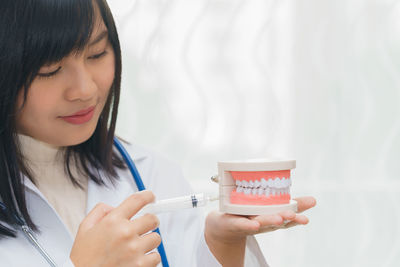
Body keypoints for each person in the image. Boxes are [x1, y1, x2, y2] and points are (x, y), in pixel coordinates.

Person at [0, 0, 317, 266]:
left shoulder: (150, 173)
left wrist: (222, 244)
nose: (84, 90)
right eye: (50, 71)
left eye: (97, 54)